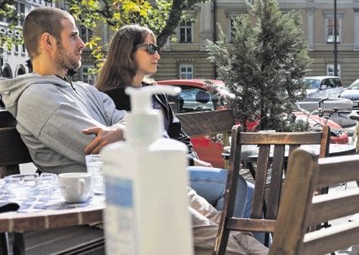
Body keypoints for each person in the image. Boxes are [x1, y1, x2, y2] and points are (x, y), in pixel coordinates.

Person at [0, 7, 344, 255]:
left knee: (221, 227)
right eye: (73, 36)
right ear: (47, 41)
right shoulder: (39, 98)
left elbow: (138, 130)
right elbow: (104, 149)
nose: (83, 43)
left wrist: (120, 129)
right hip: (105, 202)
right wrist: (125, 131)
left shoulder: (82, 91)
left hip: (141, 187)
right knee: (207, 231)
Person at [94, 24, 253, 218]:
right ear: (127, 52)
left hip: (179, 168)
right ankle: (225, 245)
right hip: (152, 177)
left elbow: (179, 134)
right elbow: (142, 149)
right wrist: (192, 161)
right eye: (150, 48)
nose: (157, 55)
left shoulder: (154, 93)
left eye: (157, 49)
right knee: (235, 185)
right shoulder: (111, 98)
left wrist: (192, 160)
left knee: (252, 191)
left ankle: (257, 247)